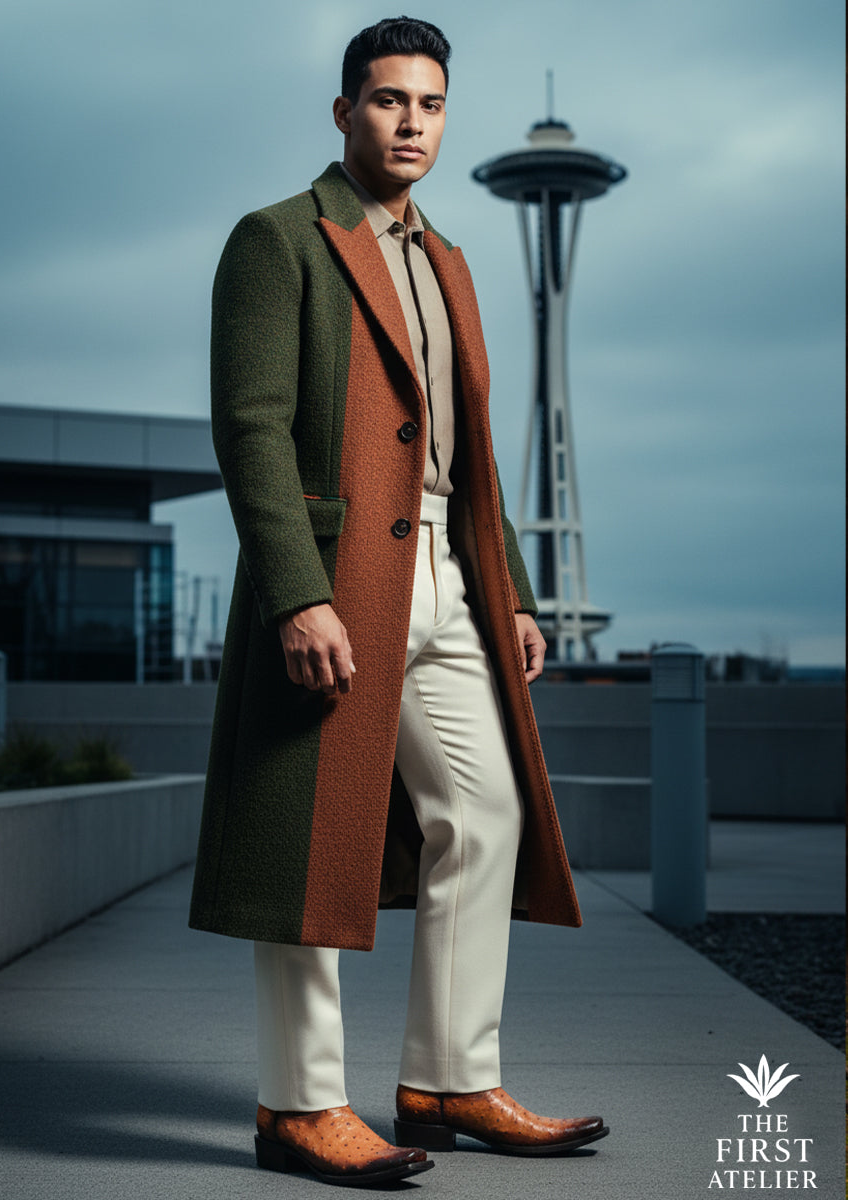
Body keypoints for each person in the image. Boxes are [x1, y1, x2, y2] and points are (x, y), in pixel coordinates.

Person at [189, 15, 608, 1187]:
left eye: (427, 103)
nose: (409, 121)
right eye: (386, 100)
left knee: (486, 817)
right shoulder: (279, 241)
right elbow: (251, 429)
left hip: (448, 577)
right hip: (335, 586)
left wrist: (511, 590)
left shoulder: (452, 262)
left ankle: (447, 1079)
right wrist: (295, 594)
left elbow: (472, 452)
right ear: (343, 112)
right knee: (306, 847)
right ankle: (298, 1108)